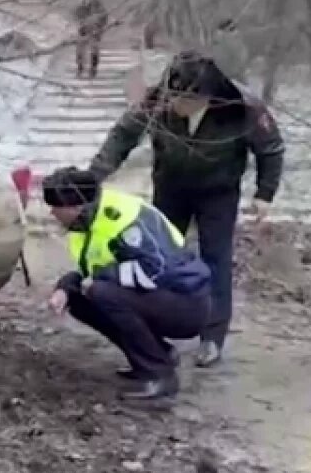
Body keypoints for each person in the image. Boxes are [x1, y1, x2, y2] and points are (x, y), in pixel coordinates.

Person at [88, 51, 285, 368]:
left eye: (184, 98)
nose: (175, 104)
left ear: (207, 95)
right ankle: (156, 333)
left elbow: (271, 149)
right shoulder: (158, 100)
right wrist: (95, 175)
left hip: (218, 191)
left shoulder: (242, 107)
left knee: (215, 259)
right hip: (170, 186)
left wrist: (265, 194)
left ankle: (212, 337)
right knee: (156, 257)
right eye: (173, 94)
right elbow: (123, 134)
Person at [42, 167, 213, 402]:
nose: (52, 213)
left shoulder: (124, 219)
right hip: (157, 296)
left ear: (74, 207)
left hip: (185, 301)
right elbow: (90, 270)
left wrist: (100, 277)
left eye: (55, 208)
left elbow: (155, 270)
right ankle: (157, 356)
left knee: (102, 293)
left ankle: (160, 377)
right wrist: (65, 287)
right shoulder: (86, 223)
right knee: (80, 298)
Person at [73, 0, 108, 78]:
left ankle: (93, 69)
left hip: (95, 31)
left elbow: (104, 18)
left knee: (94, 50)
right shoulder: (82, 5)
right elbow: (77, 15)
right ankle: (80, 68)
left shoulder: (99, 6)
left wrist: (100, 28)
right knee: (80, 50)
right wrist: (81, 23)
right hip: (83, 30)